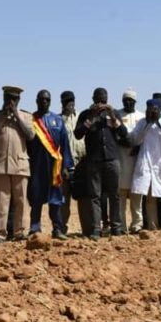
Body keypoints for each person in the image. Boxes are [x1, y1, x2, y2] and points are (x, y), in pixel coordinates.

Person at [73, 87, 127, 239]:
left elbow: (123, 133)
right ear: (93, 99)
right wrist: (91, 117)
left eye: (104, 100)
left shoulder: (113, 114)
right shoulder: (85, 115)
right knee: (94, 196)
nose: (101, 103)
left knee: (114, 195)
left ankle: (116, 227)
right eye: (98, 100)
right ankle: (96, 228)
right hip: (94, 160)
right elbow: (78, 134)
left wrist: (111, 116)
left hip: (112, 159)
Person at [0, 86, 35, 244]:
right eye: (8, 99)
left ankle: (19, 232)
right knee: (1, 201)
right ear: (3, 99)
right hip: (1, 165)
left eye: (14, 99)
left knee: (20, 201)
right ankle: (0, 234)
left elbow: (30, 135)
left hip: (20, 165)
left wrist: (16, 116)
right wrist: (3, 120)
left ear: (18, 100)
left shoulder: (26, 116)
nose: (10, 102)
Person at [27, 90, 74, 238]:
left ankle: (57, 229)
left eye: (47, 100)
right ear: (36, 101)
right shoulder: (31, 120)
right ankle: (35, 229)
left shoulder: (57, 120)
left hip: (55, 167)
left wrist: (67, 166)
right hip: (36, 166)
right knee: (36, 198)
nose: (44, 102)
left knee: (56, 199)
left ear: (50, 101)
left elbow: (65, 144)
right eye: (41, 100)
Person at [128, 98, 161, 230]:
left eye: (155, 110)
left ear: (160, 110)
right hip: (147, 163)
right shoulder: (143, 122)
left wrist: (159, 122)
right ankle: (152, 226)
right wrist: (147, 124)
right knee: (150, 198)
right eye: (150, 109)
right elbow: (135, 140)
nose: (152, 112)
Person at [59, 91, 92, 235]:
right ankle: (60, 229)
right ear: (62, 103)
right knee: (63, 201)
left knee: (84, 199)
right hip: (64, 165)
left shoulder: (81, 116)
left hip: (81, 164)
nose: (70, 103)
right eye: (66, 101)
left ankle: (87, 229)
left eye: (71, 100)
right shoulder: (58, 119)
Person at [117, 88, 145, 232]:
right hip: (121, 157)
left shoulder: (142, 116)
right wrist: (122, 143)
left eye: (131, 100)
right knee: (121, 193)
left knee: (136, 192)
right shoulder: (117, 115)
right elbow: (114, 134)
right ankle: (121, 225)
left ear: (135, 102)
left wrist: (138, 147)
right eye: (126, 100)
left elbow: (146, 136)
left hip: (137, 158)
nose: (128, 102)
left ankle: (137, 224)